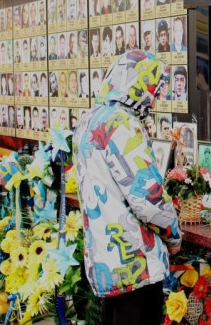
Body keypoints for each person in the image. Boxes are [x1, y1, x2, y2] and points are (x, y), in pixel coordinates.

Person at [73, 50, 181, 325]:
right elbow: (148, 200)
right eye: (154, 89)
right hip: (136, 265)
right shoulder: (122, 125)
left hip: (106, 263)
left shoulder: (90, 119)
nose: (155, 99)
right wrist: (173, 235)